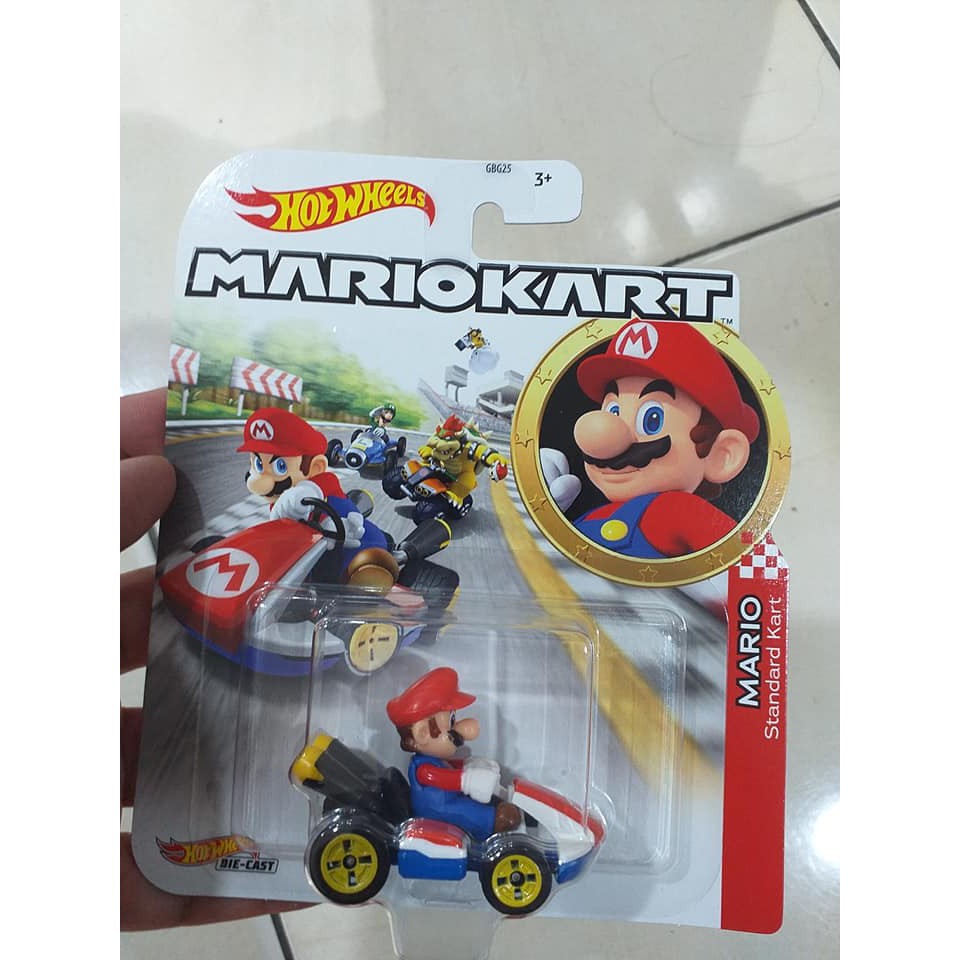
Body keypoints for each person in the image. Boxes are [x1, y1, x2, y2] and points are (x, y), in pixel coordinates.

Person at [120, 389, 309, 929]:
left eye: (275, 464)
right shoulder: (277, 502)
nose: (262, 473)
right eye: (258, 464)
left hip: (332, 540)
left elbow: (344, 522)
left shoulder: (325, 492)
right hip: (276, 540)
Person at [544, 319, 760, 558]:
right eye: (613, 411)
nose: (605, 438)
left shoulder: (679, 511)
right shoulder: (593, 516)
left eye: (652, 419)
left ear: (721, 455)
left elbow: (755, 564)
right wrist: (543, 513)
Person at [386, 667, 521, 840]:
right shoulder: (424, 770)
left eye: (453, 719)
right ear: (422, 733)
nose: (459, 729)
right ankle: (494, 822)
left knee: (475, 802)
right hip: (437, 809)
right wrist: (470, 779)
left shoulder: (431, 759)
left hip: (449, 800)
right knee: (471, 813)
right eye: (450, 722)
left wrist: (469, 764)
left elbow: (447, 768)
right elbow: (447, 779)